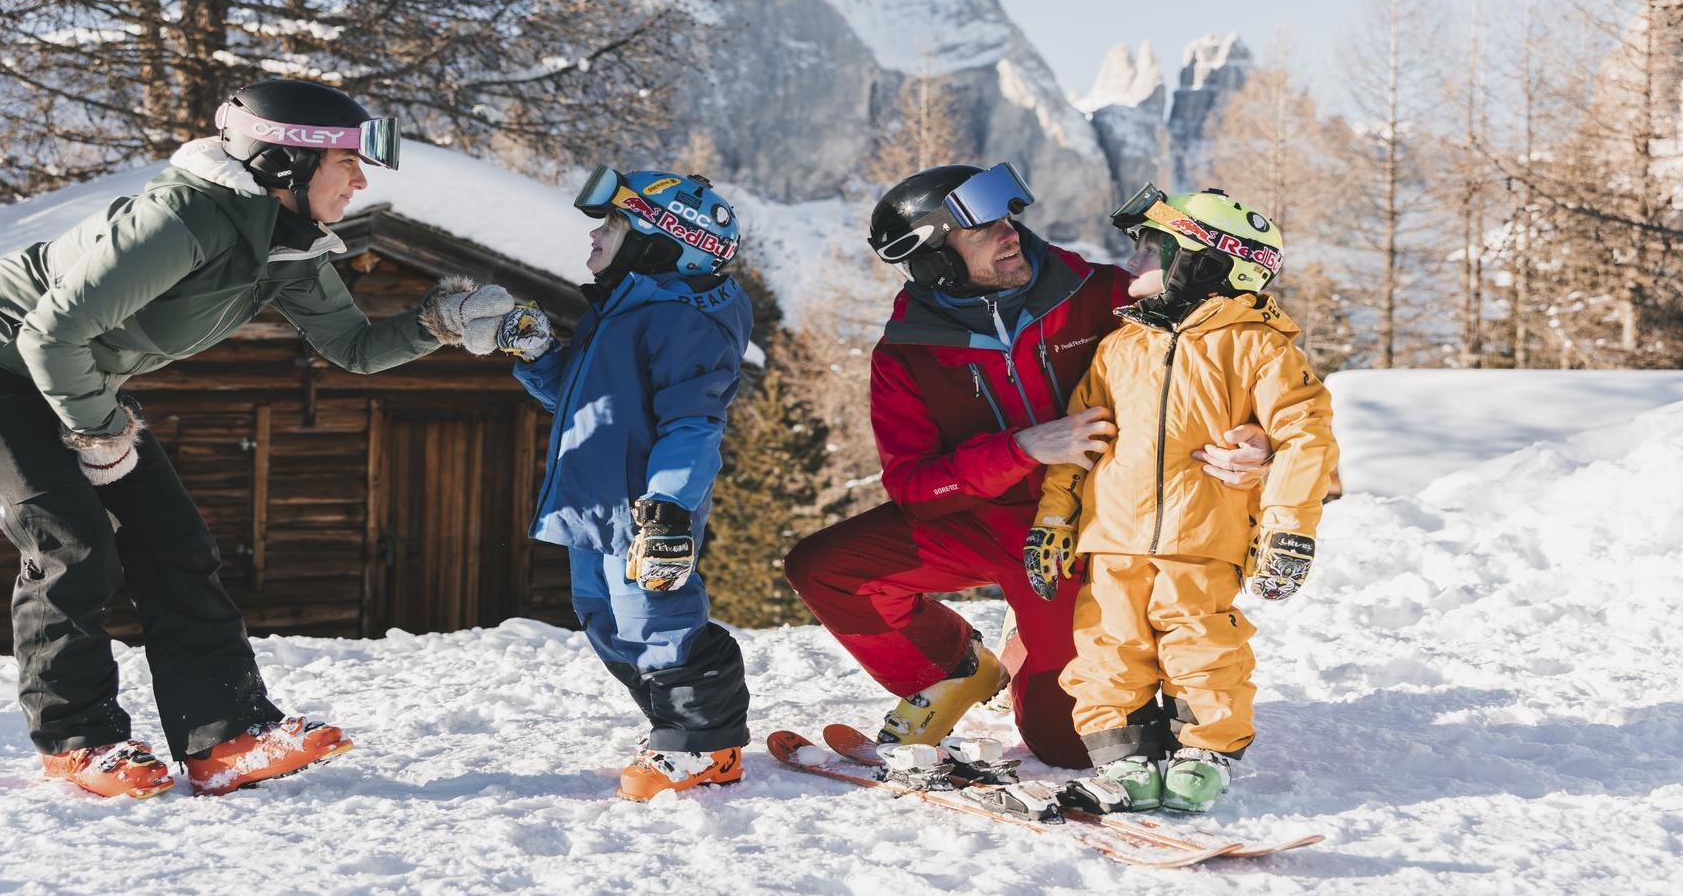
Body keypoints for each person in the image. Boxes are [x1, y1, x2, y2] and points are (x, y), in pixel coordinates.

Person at [0, 78, 517, 798]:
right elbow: (50, 332)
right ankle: (79, 744)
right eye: (346, 161)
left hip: (76, 373)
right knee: (71, 543)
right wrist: (99, 434)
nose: (360, 178)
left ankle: (224, 736)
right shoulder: (182, 221)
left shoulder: (287, 246)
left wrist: (437, 323)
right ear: (284, 165)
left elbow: (351, 347)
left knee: (176, 545)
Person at [783, 163, 1273, 768]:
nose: (1009, 233)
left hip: (1087, 531)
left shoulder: (1101, 293)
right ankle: (955, 667)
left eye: (1006, 219)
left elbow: (1230, 354)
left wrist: (1258, 437)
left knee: (1067, 746)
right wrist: (1022, 449)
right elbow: (914, 487)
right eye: (982, 229)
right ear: (935, 258)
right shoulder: (906, 353)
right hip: (984, 524)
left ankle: (1033, 646)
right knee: (825, 568)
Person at [1027, 185, 1337, 812]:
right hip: (1113, 538)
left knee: (1202, 644)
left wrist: (1288, 530)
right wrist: (1054, 517)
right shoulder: (1119, 347)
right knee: (1109, 647)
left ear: (1209, 262)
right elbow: (1079, 442)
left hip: (1202, 537)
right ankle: (1124, 759)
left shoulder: (1257, 346)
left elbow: (1305, 437)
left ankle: (1205, 749)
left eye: (1153, 247)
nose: (1135, 259)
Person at [477, 165, 753, 801]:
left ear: (662, 242)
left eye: (612, 226)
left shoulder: (682, 322)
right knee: (603, 616)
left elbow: (693, 426)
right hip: (595, 502)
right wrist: (539, 354)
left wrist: (669, 509)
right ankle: (672, 728)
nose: (595, 238)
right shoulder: (623, 311)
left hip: (643, 509)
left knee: (655, 619)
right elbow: (585, 402)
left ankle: (707, 745)